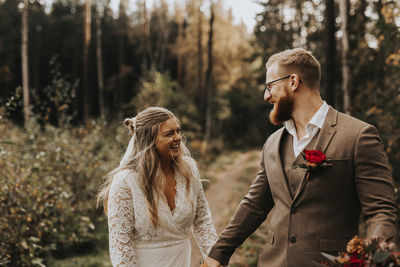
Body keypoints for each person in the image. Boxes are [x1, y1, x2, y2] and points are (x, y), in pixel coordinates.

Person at [205, 48, 399, 267]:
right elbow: (254, 205)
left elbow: (380, 211)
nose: (266, 96)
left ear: (294, 82)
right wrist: (219, 252)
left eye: (270, 86)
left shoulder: (358, 136)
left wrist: (378, 257)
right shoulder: (272, 144)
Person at [97, 107, 217, 266]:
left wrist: (215, 257)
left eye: (178, 131)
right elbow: (121, 245)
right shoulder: (125, 181)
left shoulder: (189, 169)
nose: (178, 138)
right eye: (169, 134)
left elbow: (202, 220)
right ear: (149, 140)